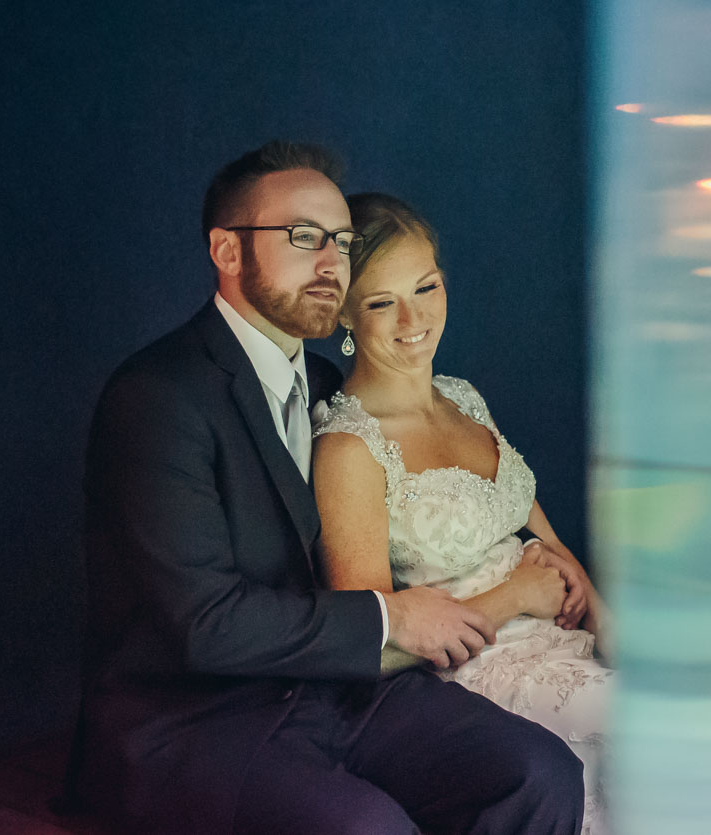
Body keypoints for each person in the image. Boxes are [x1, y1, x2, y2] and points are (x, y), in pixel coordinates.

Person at [67, 142, 584, 835]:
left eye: (340, 241)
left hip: (333, 691)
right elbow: (204, 624)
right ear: (226, 251)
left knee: (538, 770)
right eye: (302, 237)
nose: (330, 262)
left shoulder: (321, 383)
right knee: (368, 829)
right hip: (192, 723)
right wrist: (391, 619)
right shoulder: (156, 398)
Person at [311, 192, 615, 834]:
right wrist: (517, 594)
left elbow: (515, 503)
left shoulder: (463, 398)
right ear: (343, 313)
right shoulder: (349, 448)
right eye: (380, 301)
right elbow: (372, 645)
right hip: (467, 674)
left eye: (426, 287)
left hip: (556, 632)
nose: (412, 318)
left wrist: (578, 580)